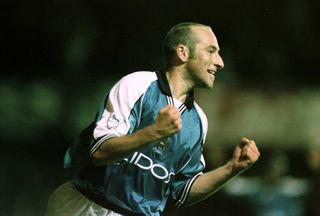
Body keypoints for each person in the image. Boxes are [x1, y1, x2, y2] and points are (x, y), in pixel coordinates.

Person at [45, 22, 260, 216]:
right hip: (88, 206)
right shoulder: (138, 84)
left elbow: (181, 193)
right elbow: (100, 152)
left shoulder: (199, 121)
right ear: (183, 53)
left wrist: (231, 168)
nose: (220, 62)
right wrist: (153, 132)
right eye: (211, 51)